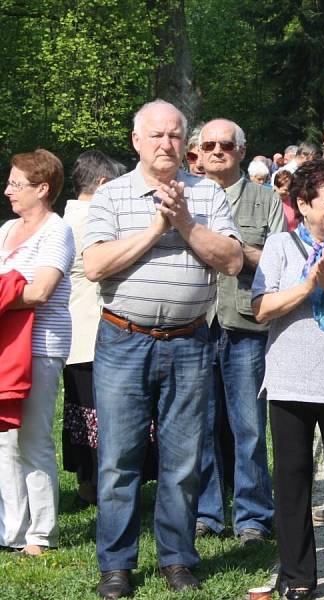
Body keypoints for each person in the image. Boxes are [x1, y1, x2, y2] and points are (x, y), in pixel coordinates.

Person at [83, 99, 243, 599]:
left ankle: (176, 559)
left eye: (175, 135)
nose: (167, 144)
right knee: (118, 459)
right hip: (123, 340)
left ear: (185, 142)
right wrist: (155, 228)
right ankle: (117, 565)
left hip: (190, 342)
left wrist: (186, 224)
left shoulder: (208, 196)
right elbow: (94, 265)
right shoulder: (111, 197)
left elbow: (234, 259)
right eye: (156, 135)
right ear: (136, 141)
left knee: (182, 459)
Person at [252, 159, 324, 600]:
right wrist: (305, 287)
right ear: (303, 204)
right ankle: (297, 576)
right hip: (289, 381)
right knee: (293, 482)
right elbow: (261, 308)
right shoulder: (280, 245)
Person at [194, 118, 284, 546]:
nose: (216, 151)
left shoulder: (266, 201)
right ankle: (208, 514)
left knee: (248, 427)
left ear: (241, 151)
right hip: (193, 324)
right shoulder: (186, 198)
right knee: (201, 424)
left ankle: (253, 518)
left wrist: (235, 251)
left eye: (225, 145)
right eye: (208, 144)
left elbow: (282, 261)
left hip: (245, 325)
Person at [0, 149, 74, 556]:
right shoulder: (6, 229)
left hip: (41, 346)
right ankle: (11, 530)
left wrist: (6, 289)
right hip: (4, 344)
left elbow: (41, 291)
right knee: (4, 440)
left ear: (42, 188)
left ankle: (41, 534)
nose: (8, 190)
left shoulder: (57, 230)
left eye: (16, 184)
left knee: (33, 438)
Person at [62, 151, 127, 508]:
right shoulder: (89, 220)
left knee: (81, 413)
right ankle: (101, 487)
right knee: (98, 415)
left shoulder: (65, 218)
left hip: (75, 331)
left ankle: (88, 484)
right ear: (103, 184)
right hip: (93, 327)